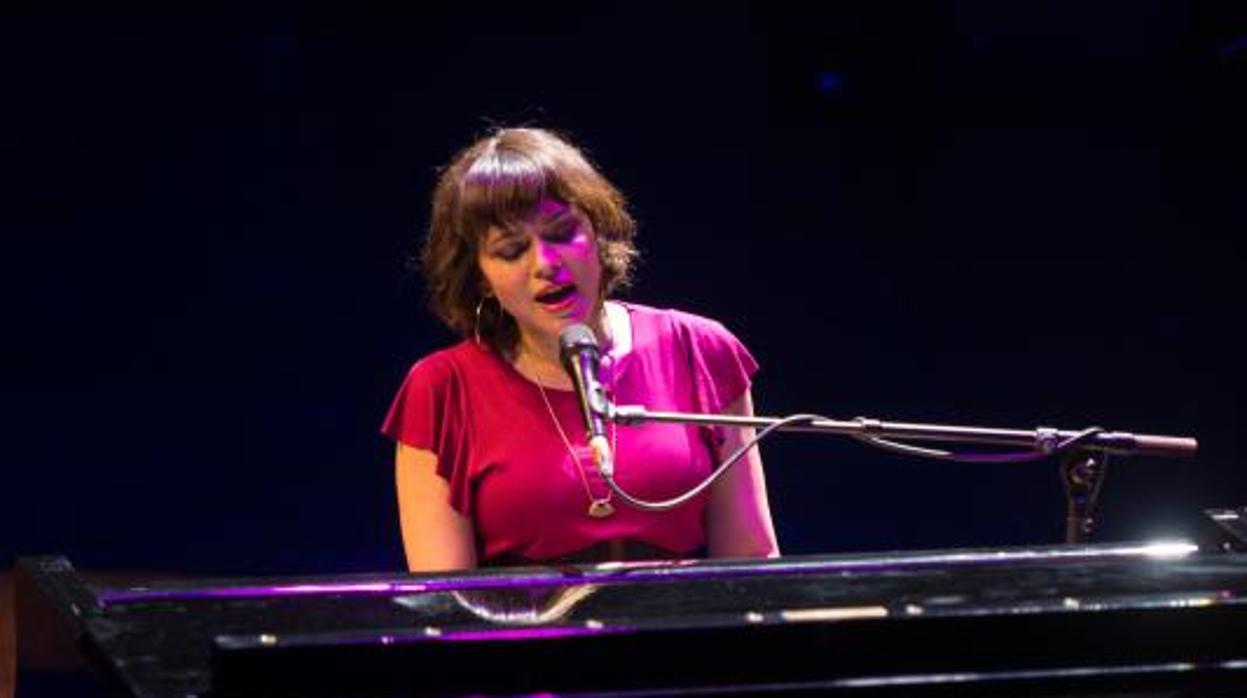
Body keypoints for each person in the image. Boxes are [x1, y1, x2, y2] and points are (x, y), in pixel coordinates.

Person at [382, 127, 779, 571]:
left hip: (683, 615)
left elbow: (751, 564)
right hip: (520, 619)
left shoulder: (699, 350)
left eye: (562, 232)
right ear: (480, 279)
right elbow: (446, 596)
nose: (546, 263)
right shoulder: (441, 389)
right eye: (512, 251)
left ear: (598, 230)